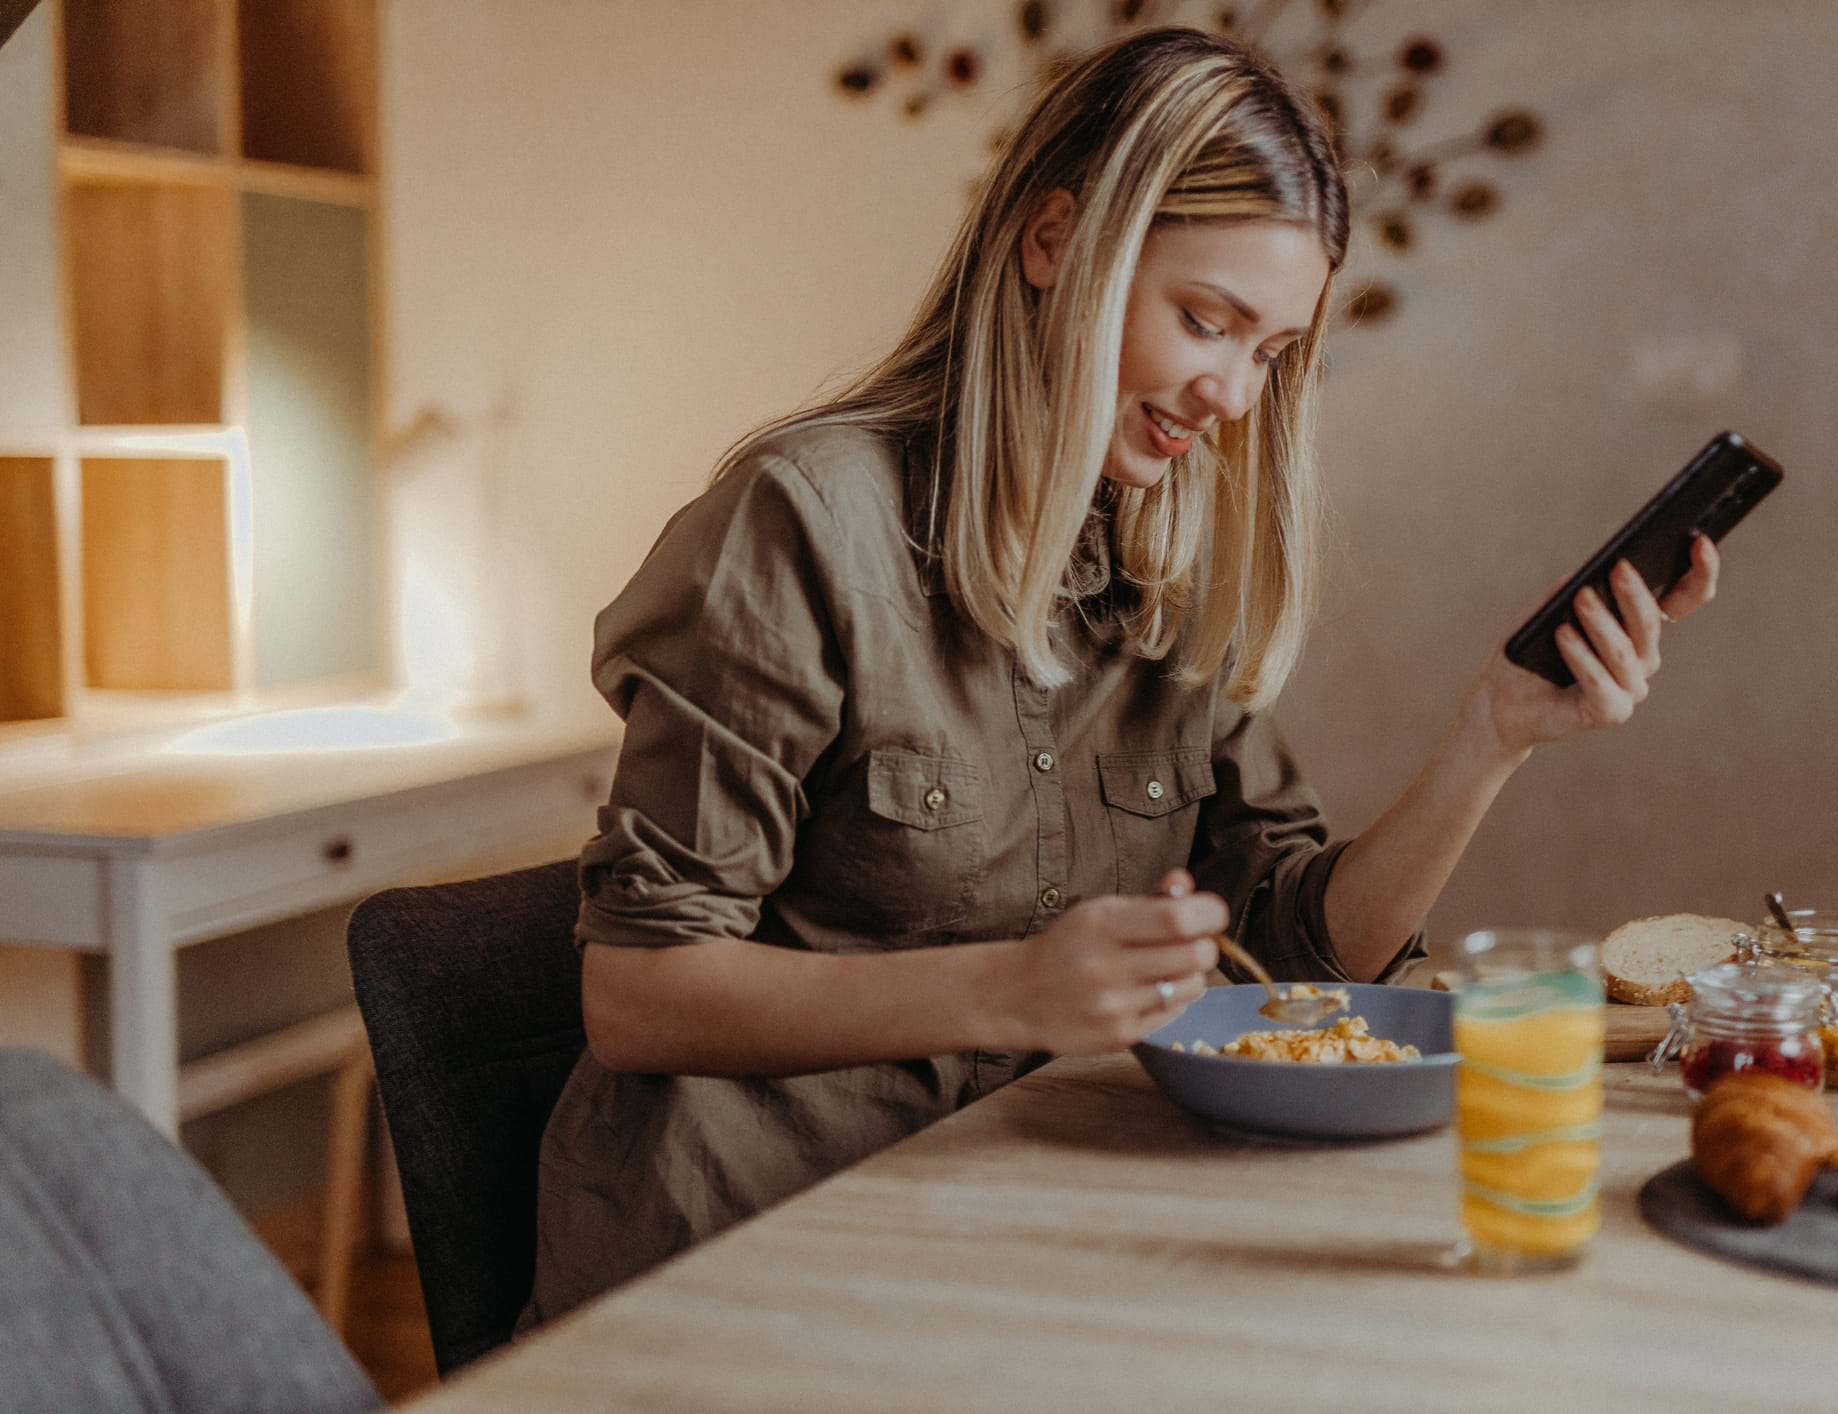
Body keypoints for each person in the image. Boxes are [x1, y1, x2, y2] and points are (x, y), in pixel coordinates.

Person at [523, 25, 1717, 1324]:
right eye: (1206, 321)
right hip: (745, 1266)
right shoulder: (801, 523)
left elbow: (1299, 950)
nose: (1231, 395)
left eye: (1269, 353)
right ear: (1053, 246)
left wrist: (1495, 734)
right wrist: (1013, 984)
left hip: (1012, 1228)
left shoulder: (1159, 572)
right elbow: (637, 994)